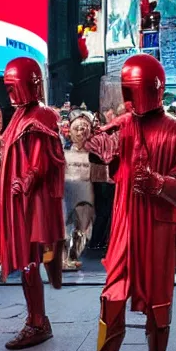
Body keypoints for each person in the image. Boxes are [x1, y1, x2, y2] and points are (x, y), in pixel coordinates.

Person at [67, 54, 176, 351]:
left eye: (130, 89)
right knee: (111, 297)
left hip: (158, 228)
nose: (125, 97)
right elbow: (101, 150)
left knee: (158, 304)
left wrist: (159, 182)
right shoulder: (123, 126)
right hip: (126, 225)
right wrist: (88, 135)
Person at [0, 57, 65, 349]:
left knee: (29, 263)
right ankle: (35, 319)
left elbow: (42, 157)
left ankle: (38, 322)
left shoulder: (42, 115)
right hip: (18, 200)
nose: (11, 93)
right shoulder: (18, 116)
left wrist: (26, 180)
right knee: (25, 262)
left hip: (32, 202)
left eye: (14, 86)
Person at [63, 110, 95, 270]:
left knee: (82, 226)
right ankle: (61, 259)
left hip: (85, 189)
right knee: (64, 225)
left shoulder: (94, 151)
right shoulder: (62, 149)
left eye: (84, 129)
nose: (81, 132)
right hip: (66, 189)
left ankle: (74, 256)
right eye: (77, 129)